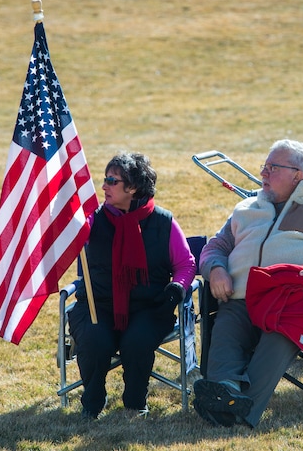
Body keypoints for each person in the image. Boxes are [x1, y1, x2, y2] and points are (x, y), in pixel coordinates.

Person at [193, 139, 303, 428]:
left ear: (297, 175)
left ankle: (240, 407)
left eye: (272, 168)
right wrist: (216, 270)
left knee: (281, 333)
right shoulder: (246, 208)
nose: (263, 173)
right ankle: (226, 390)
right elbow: (216, 247)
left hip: (294, 304)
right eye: (264, 166)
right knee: (226, 329)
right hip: (239, 299)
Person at [68, 152, 196, 420]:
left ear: (133, 187)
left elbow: (185, 264)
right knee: (94, 341)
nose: (104, 186)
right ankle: (93, 400)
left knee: (137, 342)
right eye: (105, 179)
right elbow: (71, 236)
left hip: (148, 308)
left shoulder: (163, 222)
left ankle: (135, 401)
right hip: (98, 305)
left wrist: (176, 288)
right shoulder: (93, 218)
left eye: (111, 181)